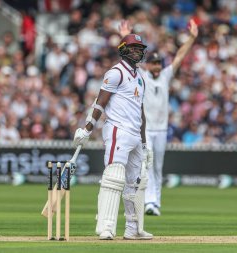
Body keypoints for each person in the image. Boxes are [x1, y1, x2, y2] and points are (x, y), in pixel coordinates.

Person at [73, 33, 153, 240]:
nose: (138, 51)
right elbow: (100, 102)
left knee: (135, 182)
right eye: (134, 47)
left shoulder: (140, 77)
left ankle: (132, 229)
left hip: (135, 134)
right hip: (118, 129)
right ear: (123, 48)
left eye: (140, 48)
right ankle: (106, 227)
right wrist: (87, 128)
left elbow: (140, 112)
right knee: (114, 177)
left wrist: (144, 144)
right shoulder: (116, 72)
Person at [119, 19, 198, 216]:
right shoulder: (142, 76)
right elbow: (128, 56)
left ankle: (156, 204)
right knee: (147, 164)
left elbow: (179, 56)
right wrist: (125, 36)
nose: (156, 66)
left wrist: (192, 38)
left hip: (161, 130)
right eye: (153, 63)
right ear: (148, 65)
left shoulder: (165, 76)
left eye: (158, 63)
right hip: (146, 129)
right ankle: (150, 202)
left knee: (157, 167)